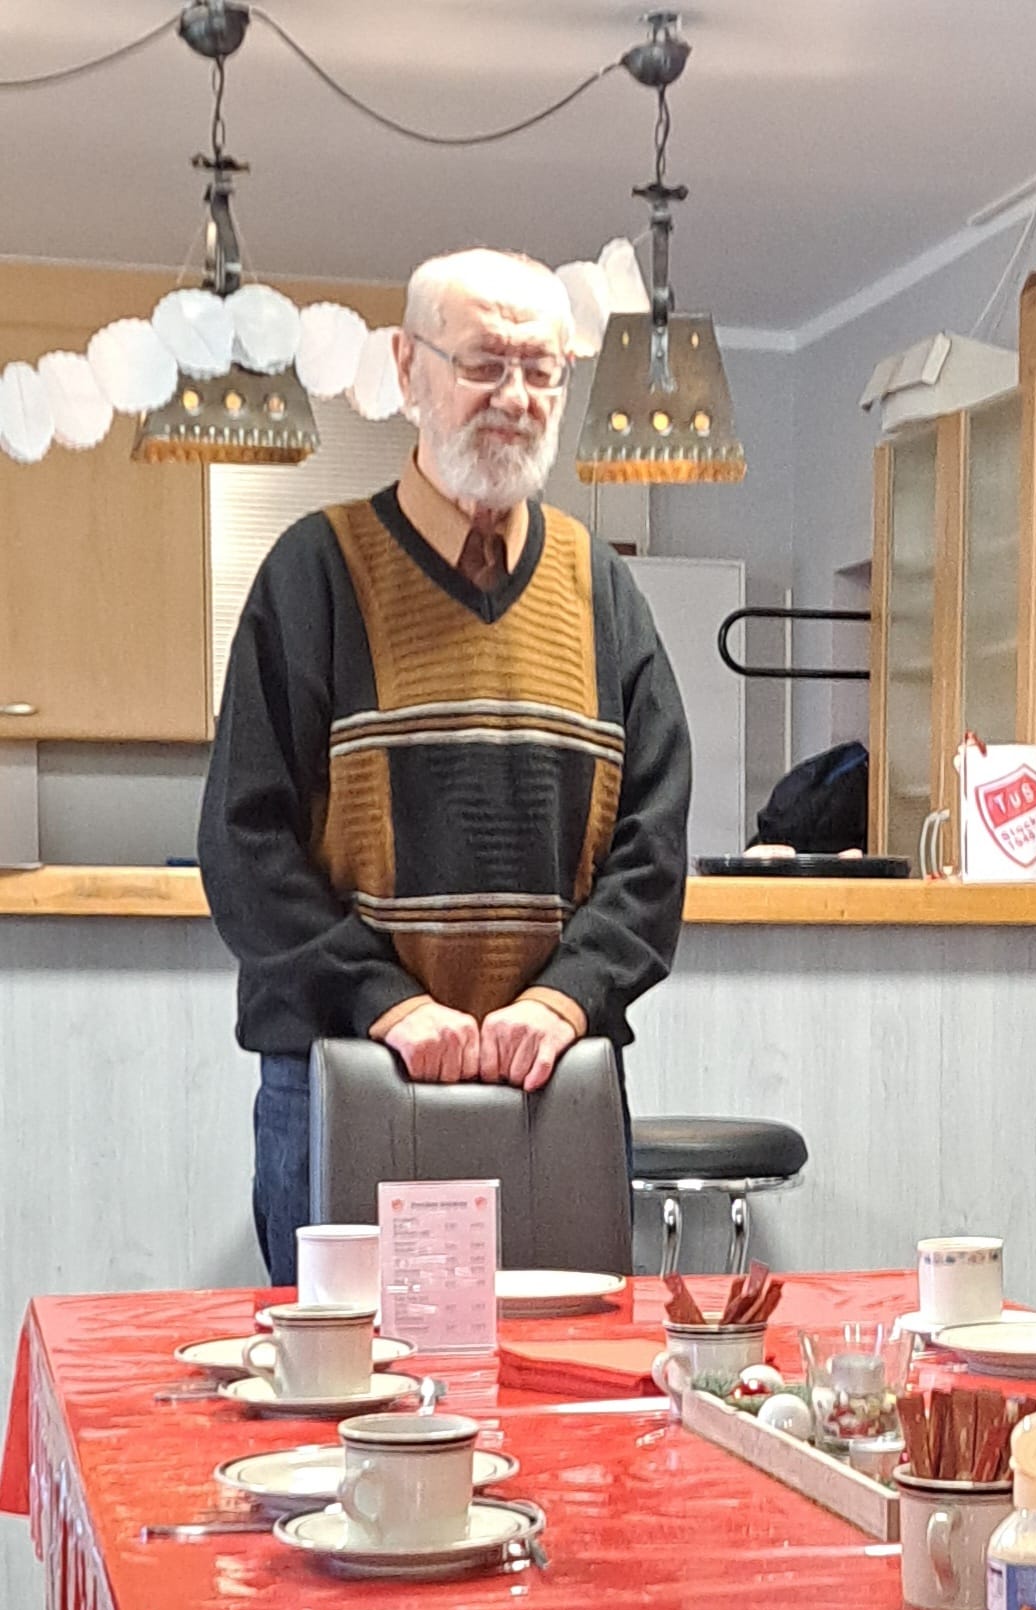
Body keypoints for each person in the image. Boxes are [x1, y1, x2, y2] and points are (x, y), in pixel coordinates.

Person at [198, 247, 692, 1284]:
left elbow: (653, 844)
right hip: (345, 1077)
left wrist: (564, 998)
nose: (515, 397)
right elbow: (244, 846)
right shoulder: (313, 575)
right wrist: (386, 1000)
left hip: (552, 1088)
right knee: (346, 1378)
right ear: (407, 369)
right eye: (483, 364)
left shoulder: (603, 592)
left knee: (563, 1376)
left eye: (541, 369)